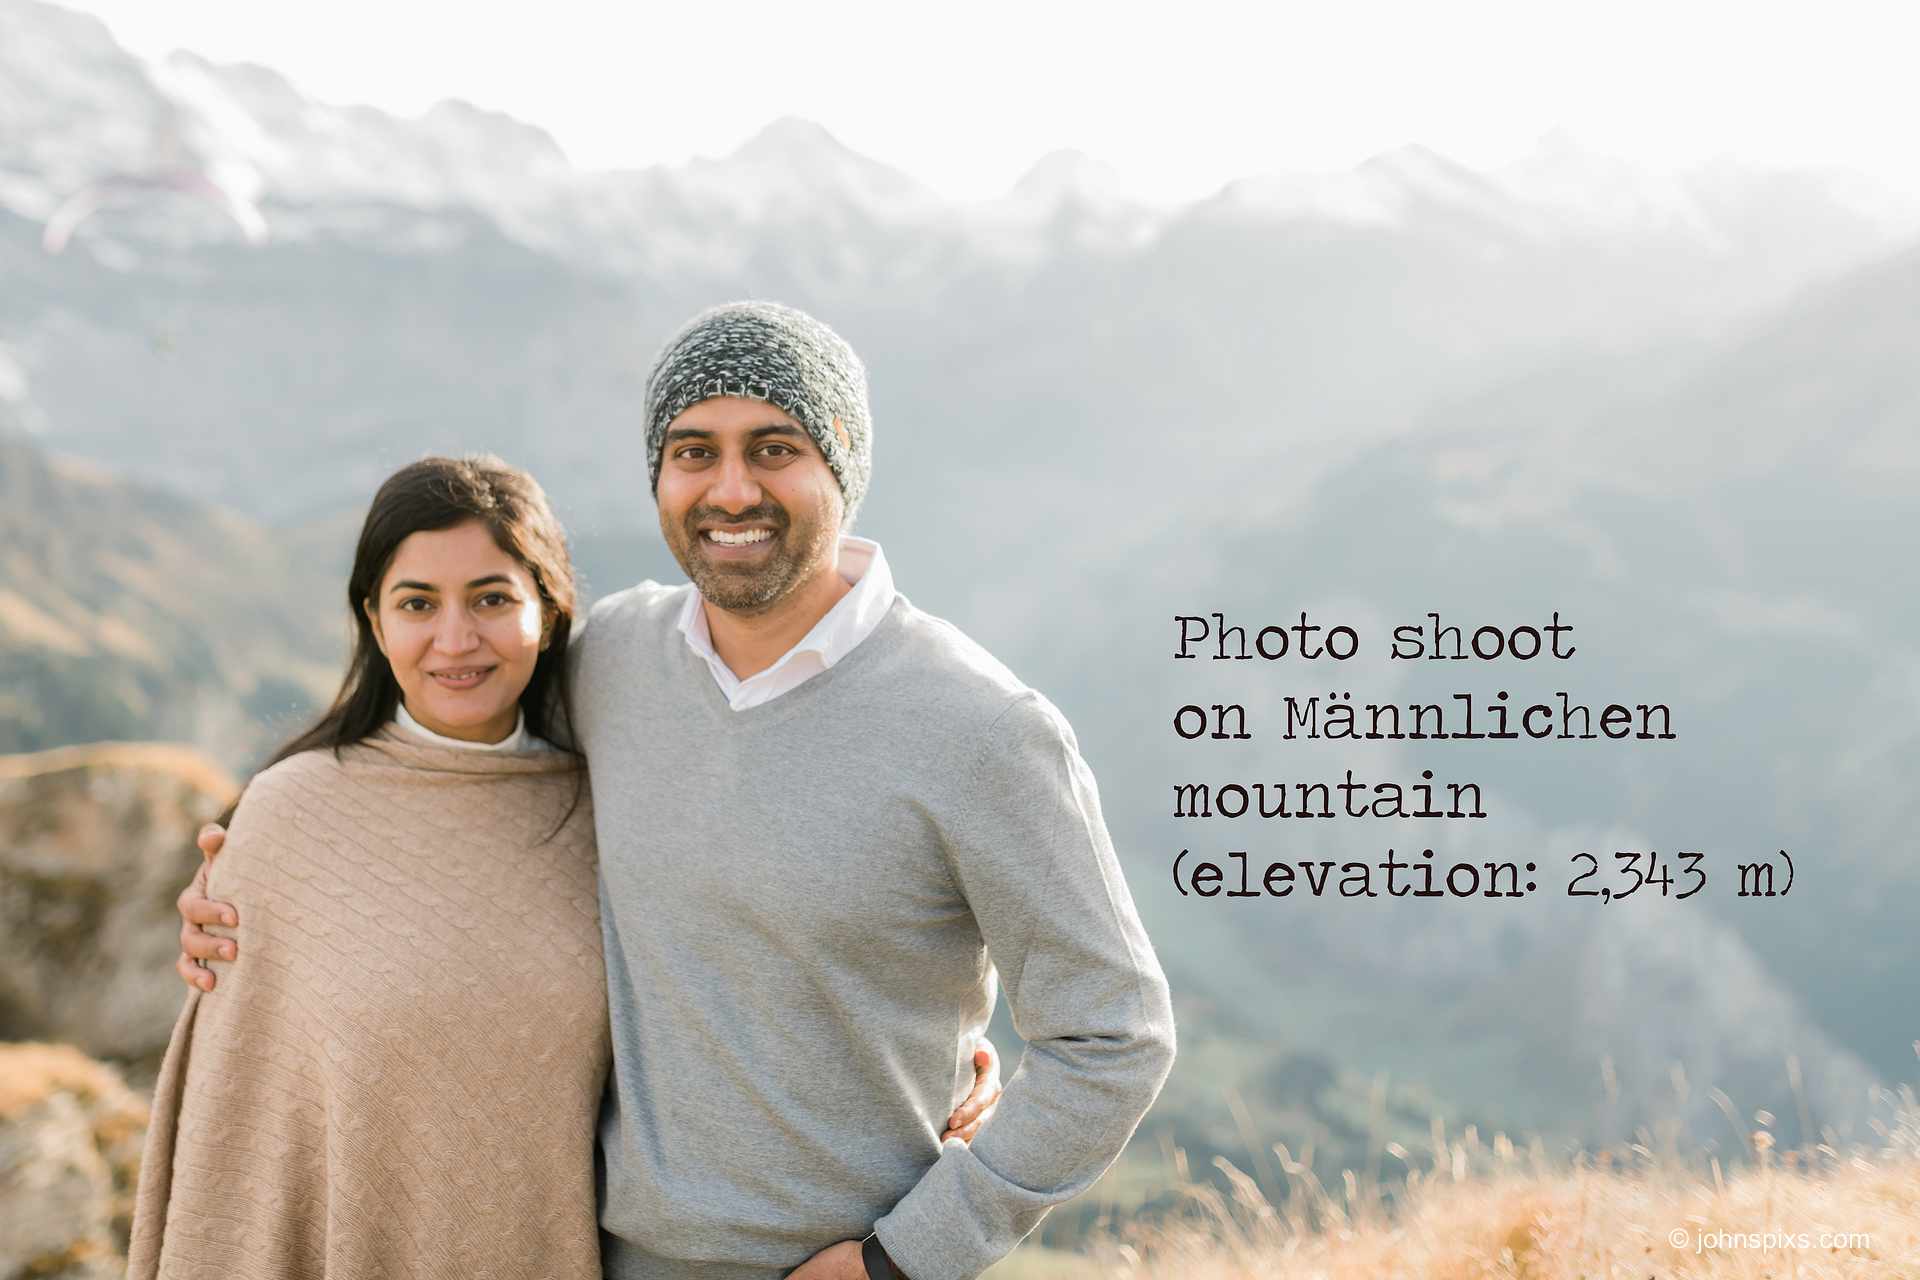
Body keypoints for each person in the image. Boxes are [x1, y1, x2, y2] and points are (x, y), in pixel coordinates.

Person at [180, 300, 1175, 1280]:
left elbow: (1115, 1036)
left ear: (844, 467)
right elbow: (458, 767)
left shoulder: (981, 727)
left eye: (774, 446)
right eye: (694, 450)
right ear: (658, 475)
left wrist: (905, 1255)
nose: (730, 487)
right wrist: (275, 886)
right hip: (604, 1254)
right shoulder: (614, 660)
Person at [143, 454, 1002, 1279]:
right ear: (373, 619)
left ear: (549, 613)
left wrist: (936, 1064)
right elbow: (239, 1130)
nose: (455, 639)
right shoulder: (292, 815)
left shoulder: (607, 791)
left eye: (491, 598)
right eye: (415, 603)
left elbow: (740, 958)